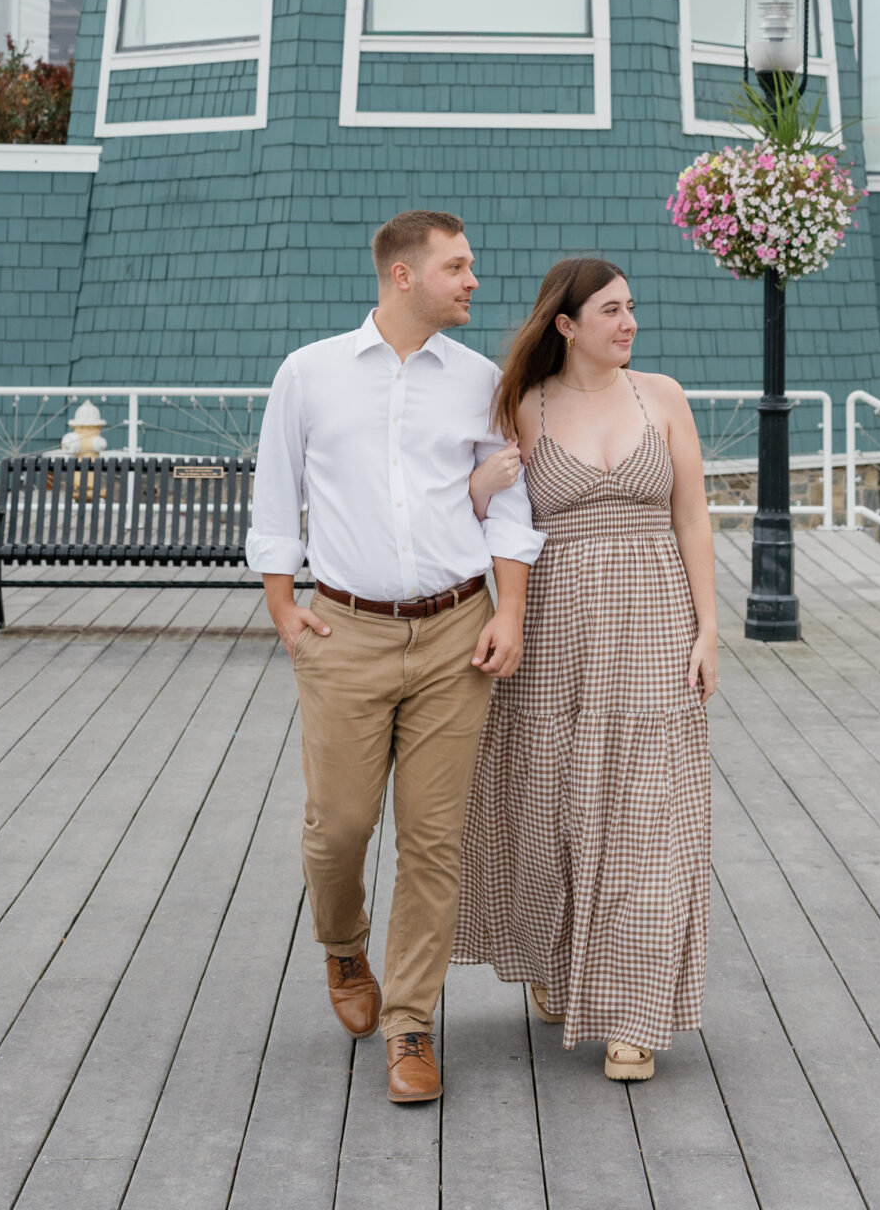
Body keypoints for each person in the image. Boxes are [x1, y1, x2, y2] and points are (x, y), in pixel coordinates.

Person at [245, 209, 544, 1106]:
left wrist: (512, 612)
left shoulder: (481, 382)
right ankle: (344, 948)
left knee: (433, 840)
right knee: (338, 829)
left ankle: (411, 1022)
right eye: (458, 267)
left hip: (458, 632)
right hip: (345, 633)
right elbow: (275, 494)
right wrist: (283, 608)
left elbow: (510, 506)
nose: (474, 281)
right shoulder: (310, 375)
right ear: (404, 276)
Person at [453, 257, 716, 1081]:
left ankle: (636, 1014)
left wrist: (710, 630)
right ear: (565, 325)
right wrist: (476, 490)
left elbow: (693, 515)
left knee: (651, 818)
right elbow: (483, 523)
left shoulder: (662, 397)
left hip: (653, 621)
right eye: (610, 311)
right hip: (556, 629)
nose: (628, 323)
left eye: (631, 308)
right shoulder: (520, 406)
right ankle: (557, 961)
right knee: (550, 804)